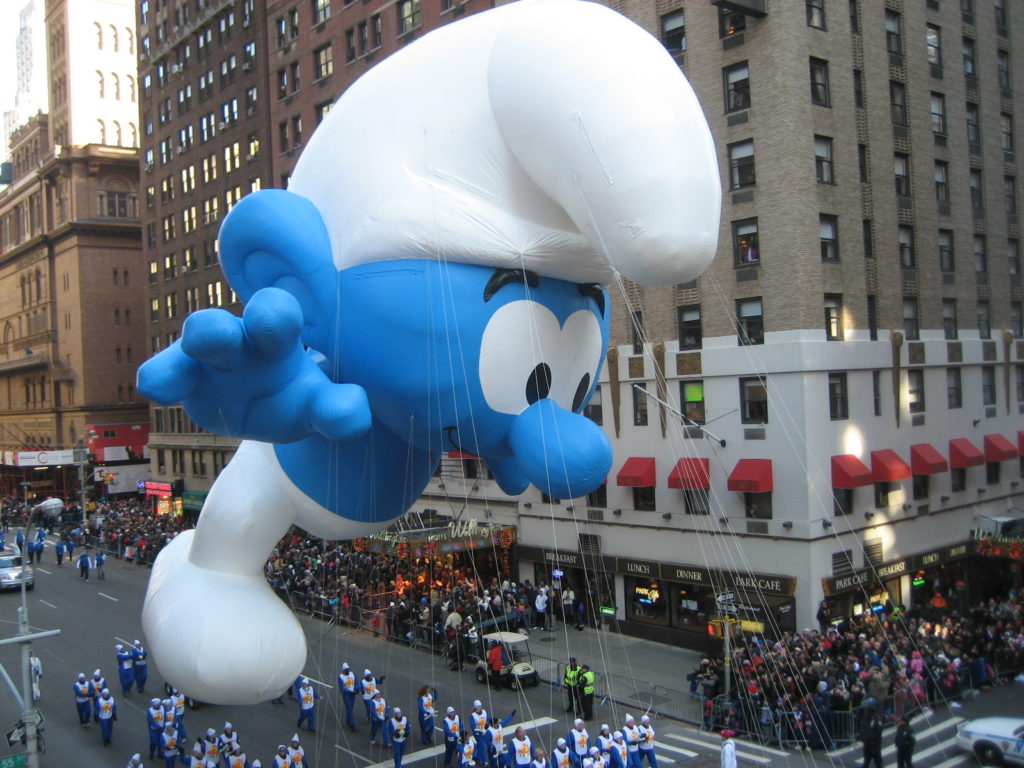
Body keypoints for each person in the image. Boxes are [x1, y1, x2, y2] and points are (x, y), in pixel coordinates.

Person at [339, 663, 357, 731]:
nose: (347, 671)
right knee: (350, 708)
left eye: (348, 669)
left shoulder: (352, 674)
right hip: (346, 695)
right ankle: (352, 724)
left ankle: (348, 721)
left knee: (350, 708)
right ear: (343, 670)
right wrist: (350, 691)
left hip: (352, 694)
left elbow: (356, 682)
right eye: (346, 670)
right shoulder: (340, 677)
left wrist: (357, 689)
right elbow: (342, 688)